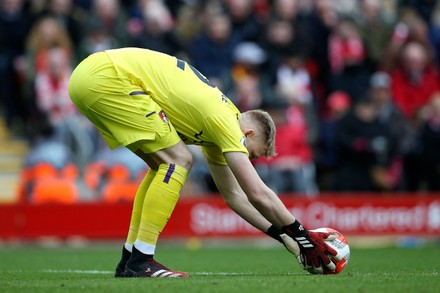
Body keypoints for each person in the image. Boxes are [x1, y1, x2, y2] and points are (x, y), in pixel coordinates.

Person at [68, 47, 340, 278]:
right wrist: (304, 235)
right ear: (249, 134)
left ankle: (130, 260)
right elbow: (256, 192)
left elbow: (234, 197)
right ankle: (142, 260)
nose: (249, 160)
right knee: (179, 159)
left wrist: (283, 236)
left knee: (161, 164)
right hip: (108, 77)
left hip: (89, 77)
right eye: (252, 154)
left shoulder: (217, 130)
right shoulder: (227, 122)